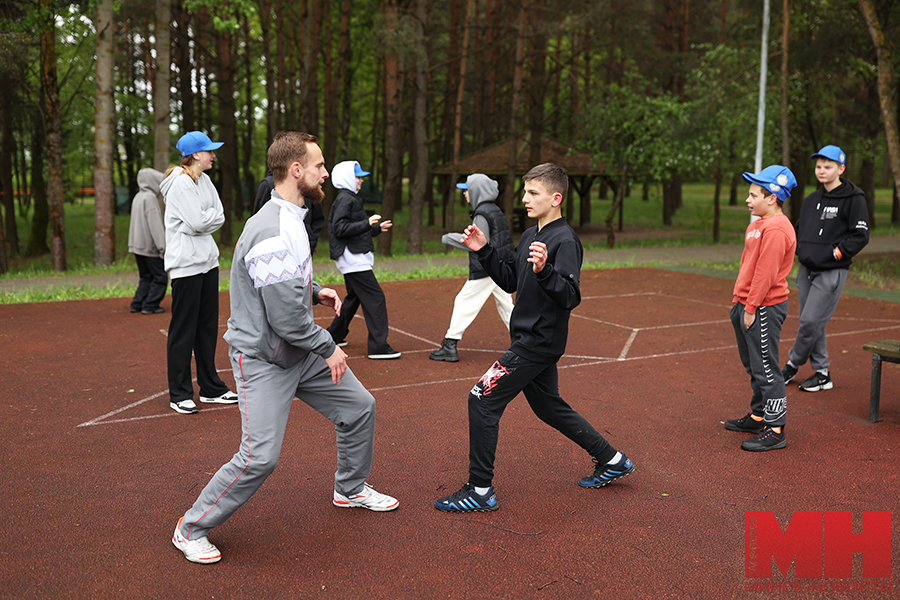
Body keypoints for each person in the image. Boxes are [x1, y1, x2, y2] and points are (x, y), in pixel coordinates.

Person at [171, 132, 398, 565]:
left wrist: (314, 290)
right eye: (319, 165)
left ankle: (349, 489)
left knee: (359, 407)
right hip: (264, 357)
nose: (325, 172)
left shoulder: (294, 214)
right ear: (296, 170)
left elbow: (284, 283)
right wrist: (328, 346)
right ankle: (191, 527)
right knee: (259, 457)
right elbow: (285, 319)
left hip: (295, 348)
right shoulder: (272, 229)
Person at [434, 163, 635, 513]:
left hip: (536, 343)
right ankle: (612, 459)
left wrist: (546, 272)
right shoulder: (530, 235)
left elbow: (570, 296)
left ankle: (480, 490)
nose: (524, 199)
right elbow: (511, 279)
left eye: (533, 193)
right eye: (525, 192)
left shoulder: (565, 240)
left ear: (555, 198)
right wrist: (483, 250)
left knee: (481, 399)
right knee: (548, 407)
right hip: (528, 340)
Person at [160, 131, 238, 415]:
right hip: (186, 265)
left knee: (206, 328)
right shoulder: (180, 184)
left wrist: (206, 219)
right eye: (209, 151)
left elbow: (219, 214)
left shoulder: (204, 180)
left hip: (208, 262)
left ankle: (211, 388)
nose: (213, 156)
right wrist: (206, 219)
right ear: (195, 155)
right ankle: (179, 392)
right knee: (184, 329)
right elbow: (197, 221)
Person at [781, 145, 870, 393]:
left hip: (832, 271)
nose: (822, 170)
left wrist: (835, 253)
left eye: (828, 166)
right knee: (813, 321)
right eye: (819, 166)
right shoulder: (811, 200)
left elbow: (861, 235)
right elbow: (799, 231)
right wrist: (799, 251)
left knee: (810, 321)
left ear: (841, 168)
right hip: (806, 270)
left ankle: (791, 364)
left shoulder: (854, 198)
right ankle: (822, 373)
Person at [725, 165, 797, 452]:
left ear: (773, 198)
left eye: (754, 195)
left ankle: (776, 428)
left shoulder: (777, 229)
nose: (747, 199)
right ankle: (759, 415)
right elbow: (747, 265)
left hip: (764, 306)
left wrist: (752, 306)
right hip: (745, 302)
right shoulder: (757, 224)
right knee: (753, 364)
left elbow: (766, 274)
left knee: (766, 367)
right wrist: (738, 300)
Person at [430, 174, 514, 362]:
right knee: (506, 305)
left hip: (487, 267)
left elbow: (477, 243)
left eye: (467, 190)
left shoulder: (482, 213)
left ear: (477, 191)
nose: (465, 194)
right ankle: (525, 339)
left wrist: (449, 238)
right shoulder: (494, 209)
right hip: (501, 264)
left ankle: (450, 345)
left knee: (464, 302)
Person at [326, 161, 400, 360]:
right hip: (353, 259)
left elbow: (353, 230)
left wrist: (374, 228)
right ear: (347, 178)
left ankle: (334, 335)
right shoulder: (345, 199)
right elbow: (340, 228)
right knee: (375, 298)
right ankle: (378, 346)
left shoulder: (349, 198)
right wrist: (366, 222)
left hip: (353, 257)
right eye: (357, 177)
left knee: (354, 298)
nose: (361, 181)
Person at [254, 170, 325, 253]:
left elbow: (318, 217)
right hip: (275, 249)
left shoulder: (306, 184)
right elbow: (258, 218)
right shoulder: (268, 184)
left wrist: (310, 241)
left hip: (304, 246)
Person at [128, 168, 168, 315]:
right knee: (160, 277)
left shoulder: (138, 197)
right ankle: (150, 305)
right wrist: (162, 247)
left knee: (145, 276)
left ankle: (137, 303)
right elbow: (155, 225)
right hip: (150, 248)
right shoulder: (150, 198)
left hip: (137, 246)